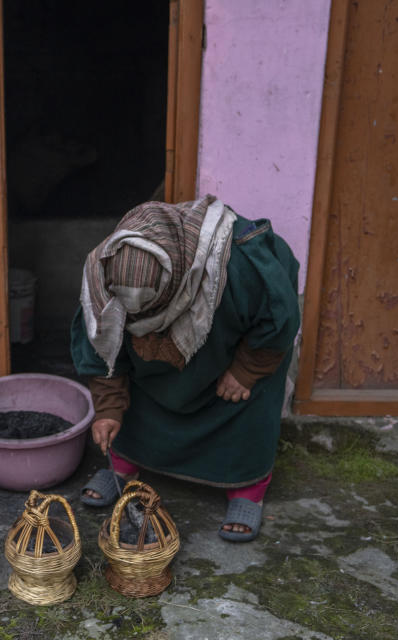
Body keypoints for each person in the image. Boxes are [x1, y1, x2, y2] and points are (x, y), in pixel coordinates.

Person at [70, 195, 300, 542]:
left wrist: (246, 370)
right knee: (127, 403)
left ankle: (246, 487)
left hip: (225, 360)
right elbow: (99, 344)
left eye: (150, 310)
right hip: (155, 376)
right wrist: (108, 408)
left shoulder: (238, 262)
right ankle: (123, 465)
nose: (141, 321)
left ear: (176, 281)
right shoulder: (104, 269)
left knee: (250, 399)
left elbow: (279, 318)